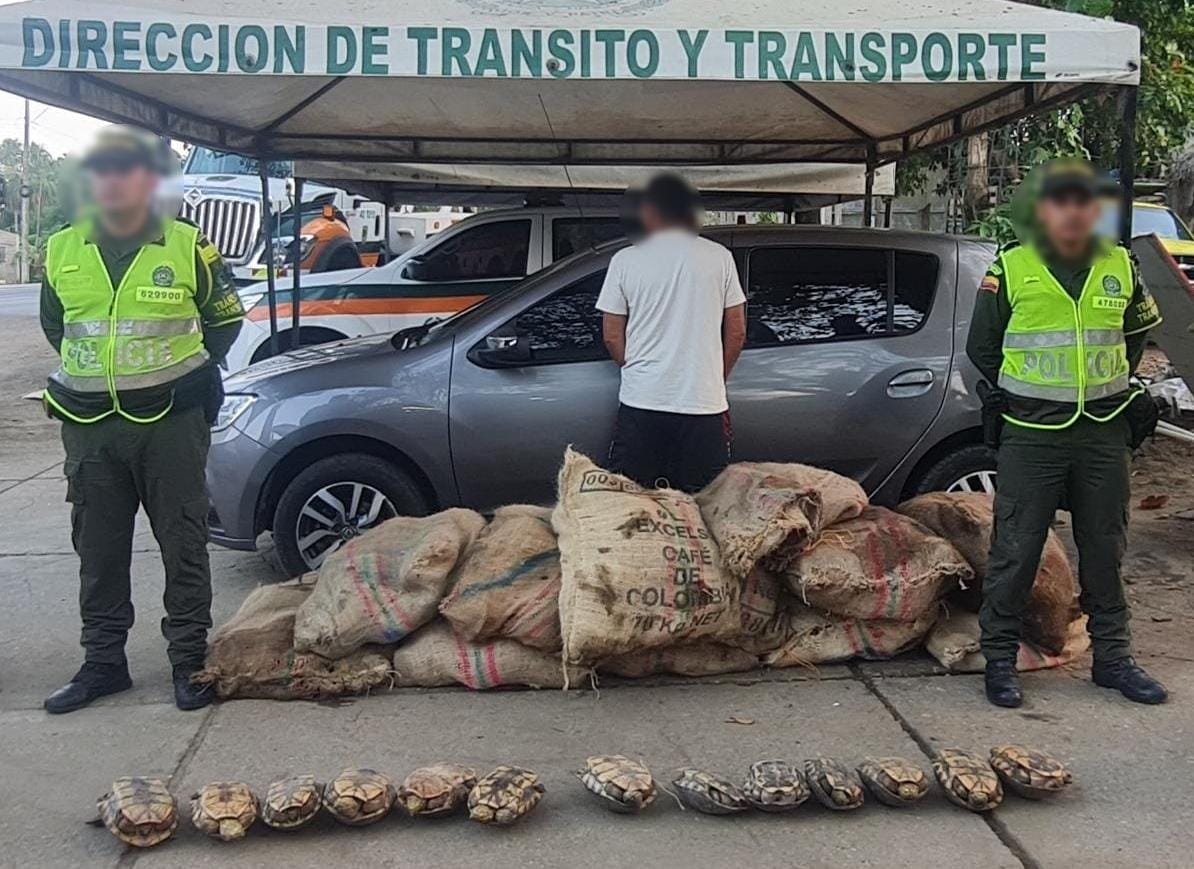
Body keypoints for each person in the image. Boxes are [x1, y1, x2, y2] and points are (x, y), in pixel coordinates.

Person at [39, 125, 245, 714]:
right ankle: (103, 664)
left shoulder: (187, 245)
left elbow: (223, 322)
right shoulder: (61, 248)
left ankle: (188, 662)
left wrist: (182, 377)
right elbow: (58, 329)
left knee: (183, 541)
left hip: (171, 422)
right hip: (89, 423)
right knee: (98, 549)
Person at [966, 158, 1167, 708]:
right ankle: (1001, 661)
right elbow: (982, 348)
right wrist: (1030, 394)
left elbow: (1133, 341)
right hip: (1031, 434)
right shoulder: (1012, 266)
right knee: (1016, 548)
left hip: (1101, 433)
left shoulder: (1119, 264)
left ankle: (1114, 660)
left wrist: (1108, 390)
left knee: (1105, 548)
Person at [596, 173, 747, 493]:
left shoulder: (625, 260)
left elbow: (611, 334)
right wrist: (713, 378)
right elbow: (737, 332)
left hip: (642, 402)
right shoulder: (719, 257)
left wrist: (637, 368)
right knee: (706, 501)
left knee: (634, 499)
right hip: (703, 405)